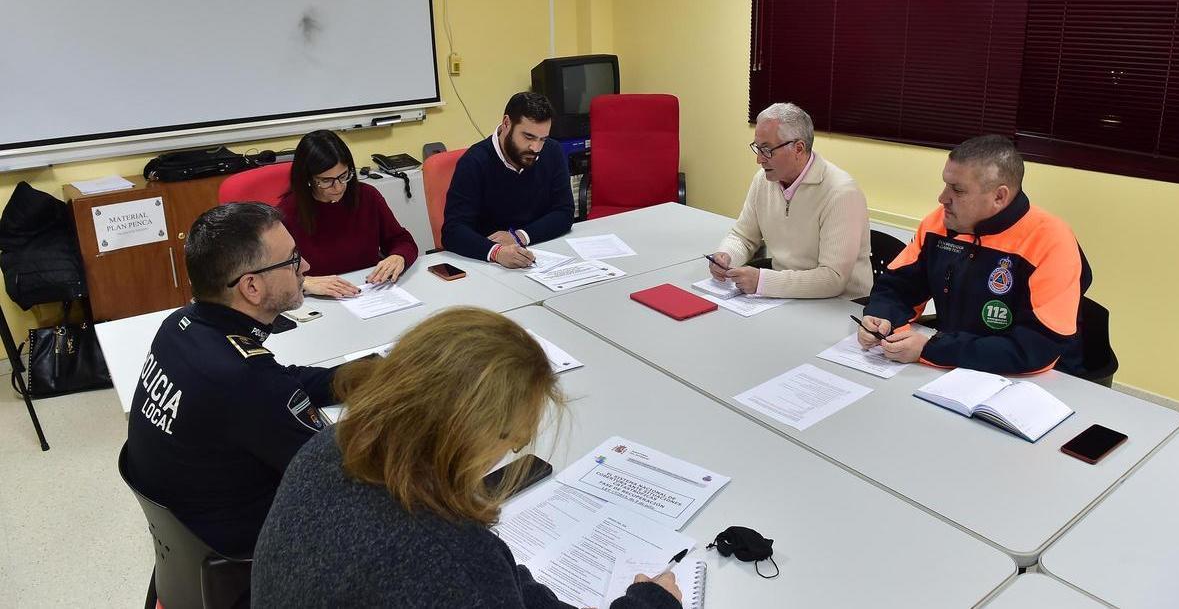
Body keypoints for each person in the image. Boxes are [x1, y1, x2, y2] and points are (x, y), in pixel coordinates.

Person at [252, 308, 682, 609]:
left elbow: (491, 572)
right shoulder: (447, 557)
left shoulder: (331, 445)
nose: (514, 449)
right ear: (465, 431)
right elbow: (471, 574)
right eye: (511, 435)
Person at [125, 202, 338, 558]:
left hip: (190, 541)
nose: (306, 267)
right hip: (251, 554)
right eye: (292, 259)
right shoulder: (243, 379)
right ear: (251, 287)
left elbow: (281, 382)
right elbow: (340, 467)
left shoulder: (180, 328)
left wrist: (365, 375)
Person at [857, 134, 1092, 375]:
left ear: (999, 197)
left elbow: (1037, 348)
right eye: (946, 184)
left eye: (957, 190)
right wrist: (881, 317)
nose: (942, 198)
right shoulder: (939, 224)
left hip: (1034, 379)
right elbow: (898, 287)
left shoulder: (1052, 241)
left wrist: (931, 349)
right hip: (954, 366)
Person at [708, 103, 872, 298]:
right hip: (785, 298)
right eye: (757, 148)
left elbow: (833, 279)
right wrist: (726, 256)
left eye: (767, 150)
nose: (759, 159)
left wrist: (763, 281)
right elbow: (742, 237)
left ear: (799, 149)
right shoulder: (763, 180)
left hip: (840, 306)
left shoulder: (841, 192)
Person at [278, 129, 419, 298]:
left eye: (343, 175)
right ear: (308, 180)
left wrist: (398, 257)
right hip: (318, 301)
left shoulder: (367, 196)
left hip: (368, 292)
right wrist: (304, 283)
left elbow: (402, 240)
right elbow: (270, 274)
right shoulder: (287, 212)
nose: (338, 187)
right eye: (326, 181)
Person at [441, 92, 575, 268]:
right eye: (528, 137)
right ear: (506, 124)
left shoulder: (552, 151)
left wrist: (519, 236)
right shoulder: (474, 162)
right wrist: (496, 252)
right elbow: (453, 231)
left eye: (542, 139)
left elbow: (564, 212)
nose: (536, 148)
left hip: (539, 255)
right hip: (487, 264)